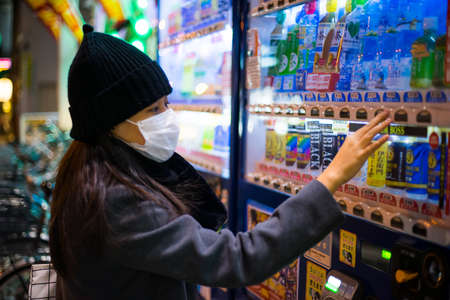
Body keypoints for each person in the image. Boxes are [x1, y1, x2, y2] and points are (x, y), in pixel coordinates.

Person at [49, 25, 391, 300]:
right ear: (109, 124)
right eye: (153, 110)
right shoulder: (117, 201)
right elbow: (240, 260)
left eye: (166, 103)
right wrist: (330, 179)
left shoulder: (92, 174)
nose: (167, 117)